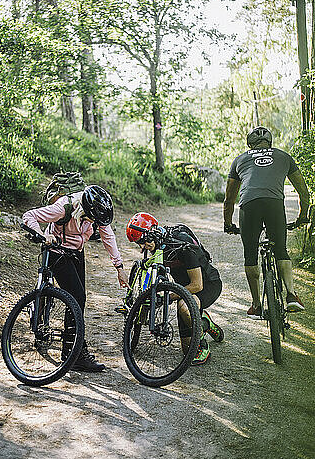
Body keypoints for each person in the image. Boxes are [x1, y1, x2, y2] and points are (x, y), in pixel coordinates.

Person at [23, 184, 129, 372]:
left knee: (80, 299)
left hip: (76, 252)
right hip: (56, 250)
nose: (93, 223)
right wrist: (41, 235)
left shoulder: (98, 211)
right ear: (83, 210)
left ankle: (70, 350)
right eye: (90, 219)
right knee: (76, 297)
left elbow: (108, 237)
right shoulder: (64, 207)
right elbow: (29, 216)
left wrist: (119, 267)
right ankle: (76, 353)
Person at [223, 126, 310, 318]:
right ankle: (291, 294)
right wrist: (303, 216)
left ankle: (256, 305)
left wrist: (228, 224)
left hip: (250, 205)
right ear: (269, 143)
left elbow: (229, 199)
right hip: (274, 205)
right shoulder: (284, 156)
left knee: (250, 253)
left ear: (249, 145)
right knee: (281, 249)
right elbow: (303, 192)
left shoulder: (239, 159)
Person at [125, 212, 224, 366]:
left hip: (207, 285)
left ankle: (203, 337)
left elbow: (197, 285)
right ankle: (203, 321)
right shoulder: (157, 248)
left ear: (152, 232)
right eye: (139, 244)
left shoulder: (182, 244)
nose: (142, 247)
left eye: (143, 242)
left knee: (184, 307)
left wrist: (169, 298)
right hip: (184, 291)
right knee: (186, 351)